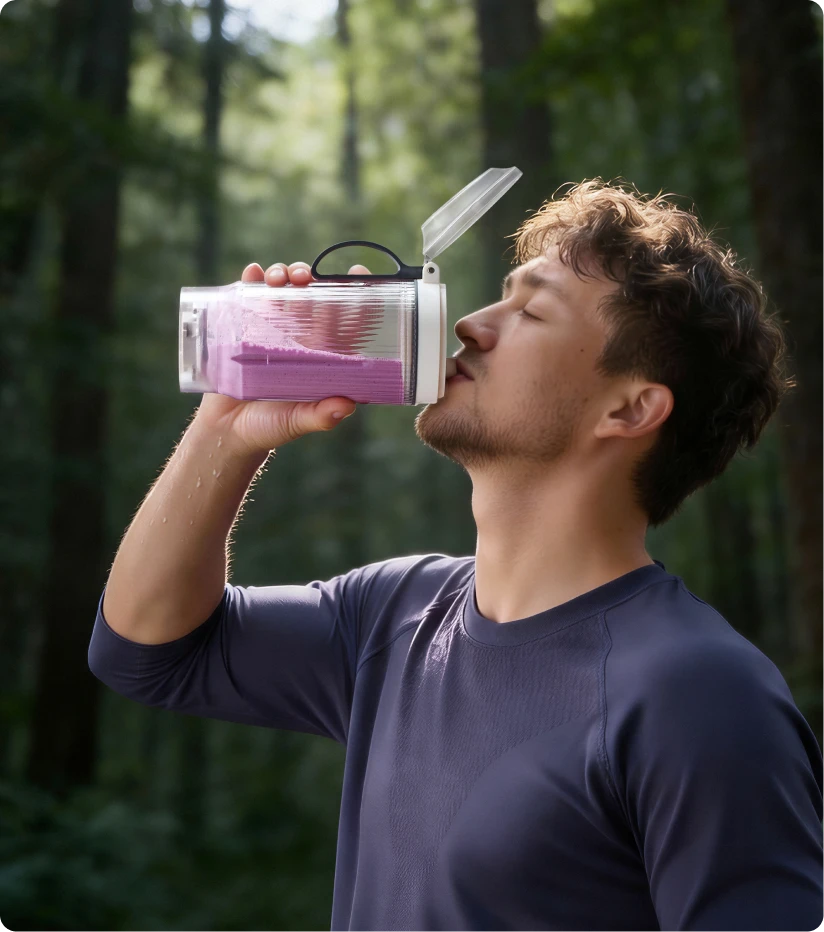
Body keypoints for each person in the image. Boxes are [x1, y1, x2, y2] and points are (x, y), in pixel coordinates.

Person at [89, 180, 824, 931]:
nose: (471, 324)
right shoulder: (394, 615)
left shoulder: (699, 697)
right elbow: (147, 651)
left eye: (531, 310)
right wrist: (229, 424)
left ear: (630, 408)